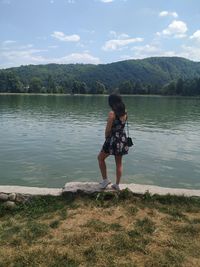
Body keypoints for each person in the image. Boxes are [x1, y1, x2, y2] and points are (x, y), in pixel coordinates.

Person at [98, 93, 129, 190]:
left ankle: (105, 180)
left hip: (112, 140)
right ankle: (117, 184)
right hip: (122, 139)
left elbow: (108, 130)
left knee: (100, 158)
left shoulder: (112, 113)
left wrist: (106, 139)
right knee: (119, 163)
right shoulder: (125, 113)